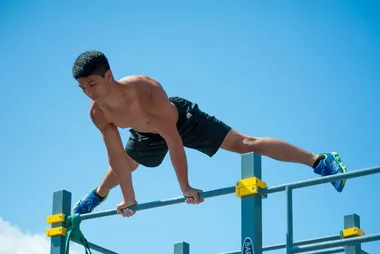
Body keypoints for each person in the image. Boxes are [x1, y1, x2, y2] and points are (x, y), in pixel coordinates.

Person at [71, 50, 348, 217]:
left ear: (109, 76)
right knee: (126, 164)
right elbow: (116, 155)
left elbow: (173, 139)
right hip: (145, 132)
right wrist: (129, 199)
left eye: (92, 84)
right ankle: (98, 195)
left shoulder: (145, 90)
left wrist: (185, 187)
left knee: (243, 144)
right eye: (83, 88)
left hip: (180, 121)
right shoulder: (98, 113)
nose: (89, 93)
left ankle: (319, 160)